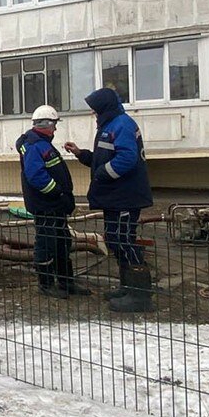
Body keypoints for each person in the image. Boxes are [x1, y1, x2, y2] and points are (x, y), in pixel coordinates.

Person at [64, 87, 154, 313]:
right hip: (115, 197)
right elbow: (105, 158)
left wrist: (102, 173)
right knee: (114, 239)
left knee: (124, 240)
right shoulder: (111, 124)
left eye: (95, 110)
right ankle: (127, 286)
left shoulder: (121, 124)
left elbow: (126, 159)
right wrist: (81, 154)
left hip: (125, 196)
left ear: (104, 107)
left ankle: (140, 295)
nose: (93, 114)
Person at [16, 105, 91, 299]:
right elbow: (36, 176)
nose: (55, 129)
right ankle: (46, 283)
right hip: (47, 206)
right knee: (46, 244)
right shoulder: (35, 145)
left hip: (53, 206)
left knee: (62, 243)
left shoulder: (41, 143)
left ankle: (66, 282)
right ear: (46, 124)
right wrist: (58, 193)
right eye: (54, 125)